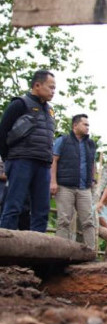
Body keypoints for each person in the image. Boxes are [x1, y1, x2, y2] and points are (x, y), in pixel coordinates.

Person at [0, 70, 56, 231]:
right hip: (21, 161)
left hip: (43, 164)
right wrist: (9, 159)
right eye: (50, 87)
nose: (53, 92)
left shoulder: (49, 111)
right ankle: (5, 247)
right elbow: (3, 132)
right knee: (14, 206)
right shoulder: (19, 104)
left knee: (41, 210)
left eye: (55, 88)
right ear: (37, 85)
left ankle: (38, 251)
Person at [50, 114, 97, 248]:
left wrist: (92, 179)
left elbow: (92, 163)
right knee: (64, 220)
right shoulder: (63, 140)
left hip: (84, 188)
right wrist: (53, 182)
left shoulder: (90, 143)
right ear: (75, 125)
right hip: (65, 186)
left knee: (88, 221)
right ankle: (60, 252)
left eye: (88, 125)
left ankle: (90, 252)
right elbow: (54, 161)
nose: (88, 127)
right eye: (85, 124)